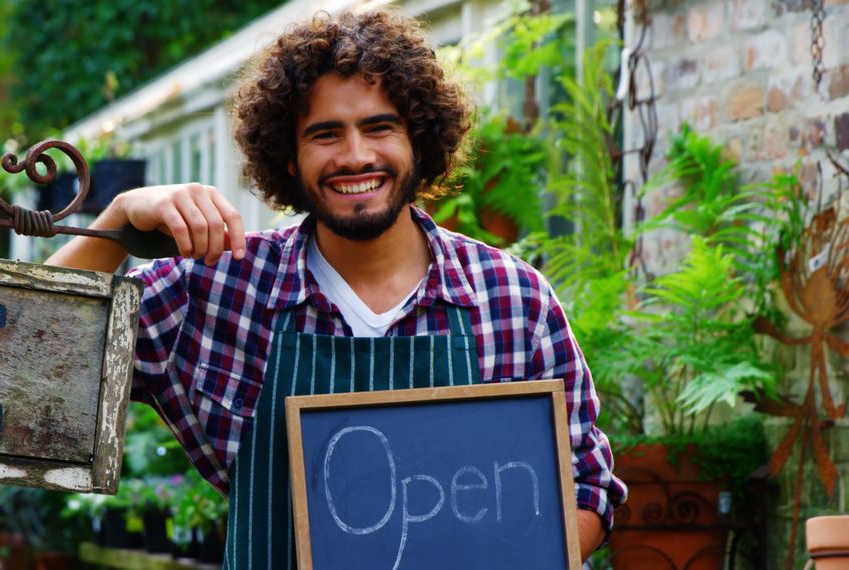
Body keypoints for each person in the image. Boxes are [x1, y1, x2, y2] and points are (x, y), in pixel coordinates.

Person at [48, 7, 625, 566]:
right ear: (288, 159)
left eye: (379, 127)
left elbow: (587, 489)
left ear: (419, 142)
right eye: (325, 134)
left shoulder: (511, 300)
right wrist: (117, 223)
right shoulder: (218, 288)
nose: (355, 156)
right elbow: (22, 349)